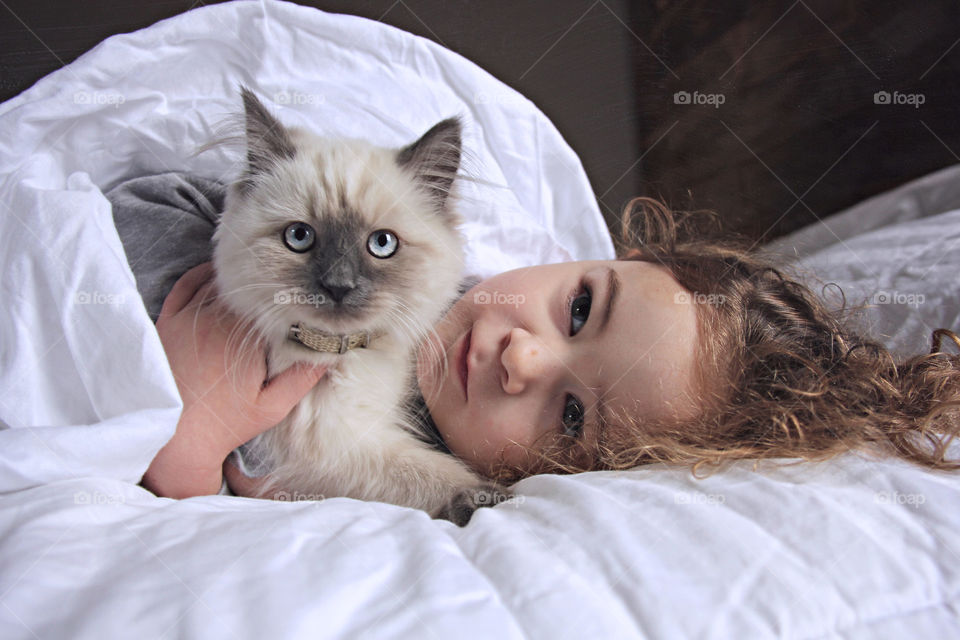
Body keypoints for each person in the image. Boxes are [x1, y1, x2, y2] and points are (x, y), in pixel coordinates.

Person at [142, 197, 960, 501]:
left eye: (571, 416)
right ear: (607, 259)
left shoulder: (432, 495)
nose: (522, 360)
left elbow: (206, 495)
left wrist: (190, 438)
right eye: (577, 308)